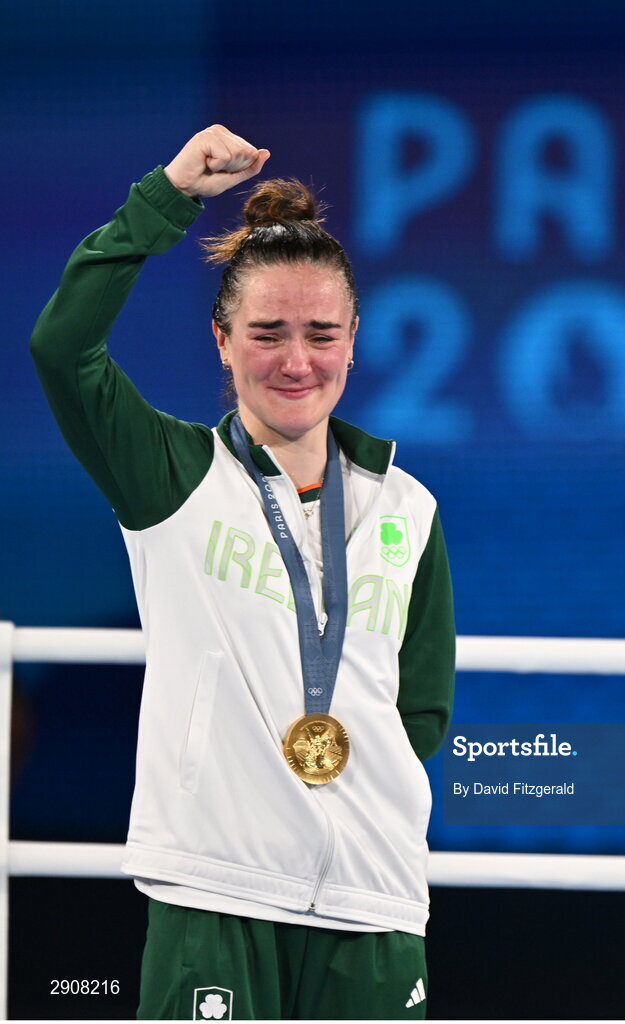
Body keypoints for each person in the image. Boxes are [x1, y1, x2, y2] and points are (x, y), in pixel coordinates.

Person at [31, 125, 456, 1020]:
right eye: (266, 333)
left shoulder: (408, 508)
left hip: (373, 901)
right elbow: (62, 350)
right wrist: (168, 197)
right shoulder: (171, 475)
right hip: (215, 889)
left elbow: (420, 709)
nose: (296, 361)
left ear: (354, 341)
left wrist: (349, 803)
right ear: (221, 340)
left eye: (321, 334)